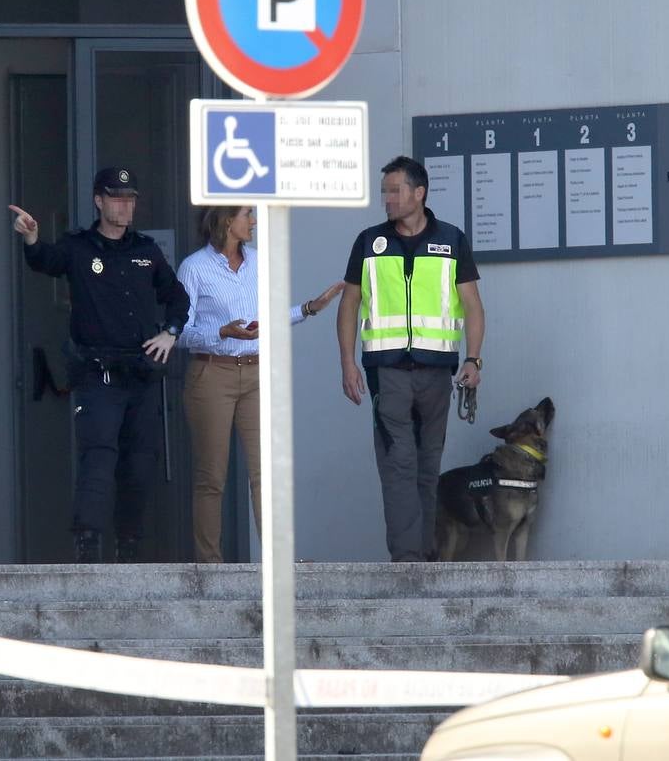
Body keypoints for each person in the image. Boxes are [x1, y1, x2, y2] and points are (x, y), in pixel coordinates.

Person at [9, 167, 190, 563]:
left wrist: (171, 333)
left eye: (131, 198)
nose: (126, 206)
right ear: (99, 201)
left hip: (141, 375)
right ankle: (88, 544)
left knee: (140, 463)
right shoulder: (79, 247)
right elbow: (46, 260)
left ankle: (129, 545)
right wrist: (32, 237)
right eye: (118, 198)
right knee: (99, 457)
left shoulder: (146, 251)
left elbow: (177, 297)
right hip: (98, 375)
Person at [337, 156, 485, 561]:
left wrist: (473, 360)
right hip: (387, 371)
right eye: (384, 191)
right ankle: (408, 559)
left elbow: (472, 304)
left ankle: (422, 554)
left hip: (437, 372)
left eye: (394, 190)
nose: (386, 199)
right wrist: (347, 362)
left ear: (419, 193)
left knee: (426, 464)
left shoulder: (451, 240)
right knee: (398, 462)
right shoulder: (369, 241)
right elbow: (349, 303)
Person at [177, 205, 344, 563]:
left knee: (265, 474)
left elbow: (266, 318)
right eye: (246, 214)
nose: (253, 221)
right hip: (211, 374)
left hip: (256, 374)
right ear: (225, 220)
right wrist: (222, 331)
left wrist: (309, 309)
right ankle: (211, 566)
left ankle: (277, 564)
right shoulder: (194, 268)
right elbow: (181, 333)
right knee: (212, 476)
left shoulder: (258, 261)